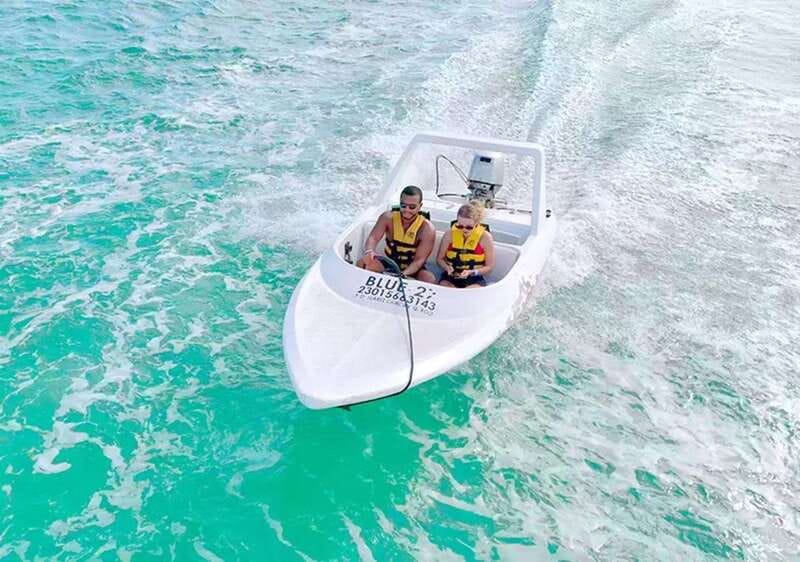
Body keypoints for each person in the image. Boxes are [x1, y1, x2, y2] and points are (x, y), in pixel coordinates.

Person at [357, 185, 437, 283]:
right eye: (403, 206)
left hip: (413, 269)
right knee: (362, 263)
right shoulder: (387, 218)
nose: (407, 210)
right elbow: (373, 238)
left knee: (429, 278)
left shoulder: (427, 229)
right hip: (390, 263)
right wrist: (369, 251)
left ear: (420, 206)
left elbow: (419, 260)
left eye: (412, 207)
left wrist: (403, 275)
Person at [436, 202, 495, 288]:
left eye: (469, 227)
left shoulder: (485, 237)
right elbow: (439, 259)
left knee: (469, 292)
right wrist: (447, 268)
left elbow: (489, 267)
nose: (464, 229)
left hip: (474, 278)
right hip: (451, 276)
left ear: (477, 224)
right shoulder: (449, 234)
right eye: (460, 226)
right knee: (445, 287)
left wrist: (472, 272)